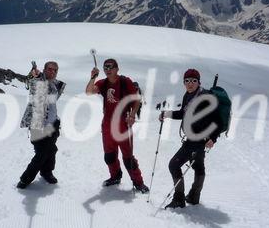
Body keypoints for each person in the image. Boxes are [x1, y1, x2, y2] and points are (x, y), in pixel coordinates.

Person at [159, 68, 222, 208]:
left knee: (174, 165)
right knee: (199, 167)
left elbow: (218, 120)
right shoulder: (188, 95)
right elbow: (183, 113)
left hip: (198, 140)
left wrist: (213, 138)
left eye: (193, 81)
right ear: (184, 83)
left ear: (198, 82)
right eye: (187, 81)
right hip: (194, 138)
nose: (190, 83)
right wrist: (167, 114)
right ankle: (194, 197)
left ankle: (179, 199)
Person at [86, 58, 149, 193]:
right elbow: (89, 91)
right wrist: (93, 77)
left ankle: (139, 183)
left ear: (117, 69)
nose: (107, 70)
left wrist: (132, 115)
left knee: (128, 157)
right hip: (107, 124)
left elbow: (136, 100)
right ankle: (115, 176)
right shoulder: (103, 83)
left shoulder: (125, 82)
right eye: (105, 68)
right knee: (109, 155)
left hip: (123, 124)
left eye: (110, 67)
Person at [17, 61, 66, 189]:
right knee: (41, 154)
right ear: (44, 70)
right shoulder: (38, 82)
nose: (53, 72)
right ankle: (25, 179)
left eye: (55, 70)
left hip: (53, 124)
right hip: (38, 125)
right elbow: (35, 86)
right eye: (50, 69)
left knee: (51, 150)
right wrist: (37, 76)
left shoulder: (55, 85)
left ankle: (46, 172)